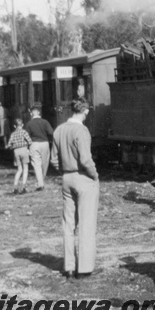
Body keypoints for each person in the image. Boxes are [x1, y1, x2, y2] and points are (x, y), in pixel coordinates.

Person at [51, 99, 100, 280]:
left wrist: (64, 171)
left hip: (66, 178)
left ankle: (69, 267)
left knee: (68, 224)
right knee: (87, 224)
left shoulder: (59, 130)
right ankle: (85, 269)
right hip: (83, 178)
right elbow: (86, 160)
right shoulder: (82, 130)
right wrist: (94, 175)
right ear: (85, 111)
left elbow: (54, 160)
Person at [25, 103, 54, 191]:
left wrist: (27, 147)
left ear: (31, 113)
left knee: (36, 164)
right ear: (39, 113)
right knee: (44, 164)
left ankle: (40, 183)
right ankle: (41, 182)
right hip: (45, 143)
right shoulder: (45, 122)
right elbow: (51, 132)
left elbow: (26, 136)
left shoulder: (29, 124)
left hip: (34, 144)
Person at [7, 118, 32, 195]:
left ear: (14, 126)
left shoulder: (13, 134)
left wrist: (13, 148)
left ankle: (15, 187)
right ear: (23, 125)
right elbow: (30, 141)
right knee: (25, 169)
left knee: (19, 170)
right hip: (24, 150)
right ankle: (24, 187)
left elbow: (9, 145)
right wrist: (28, 149)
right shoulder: (24, 132)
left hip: (16, 151)